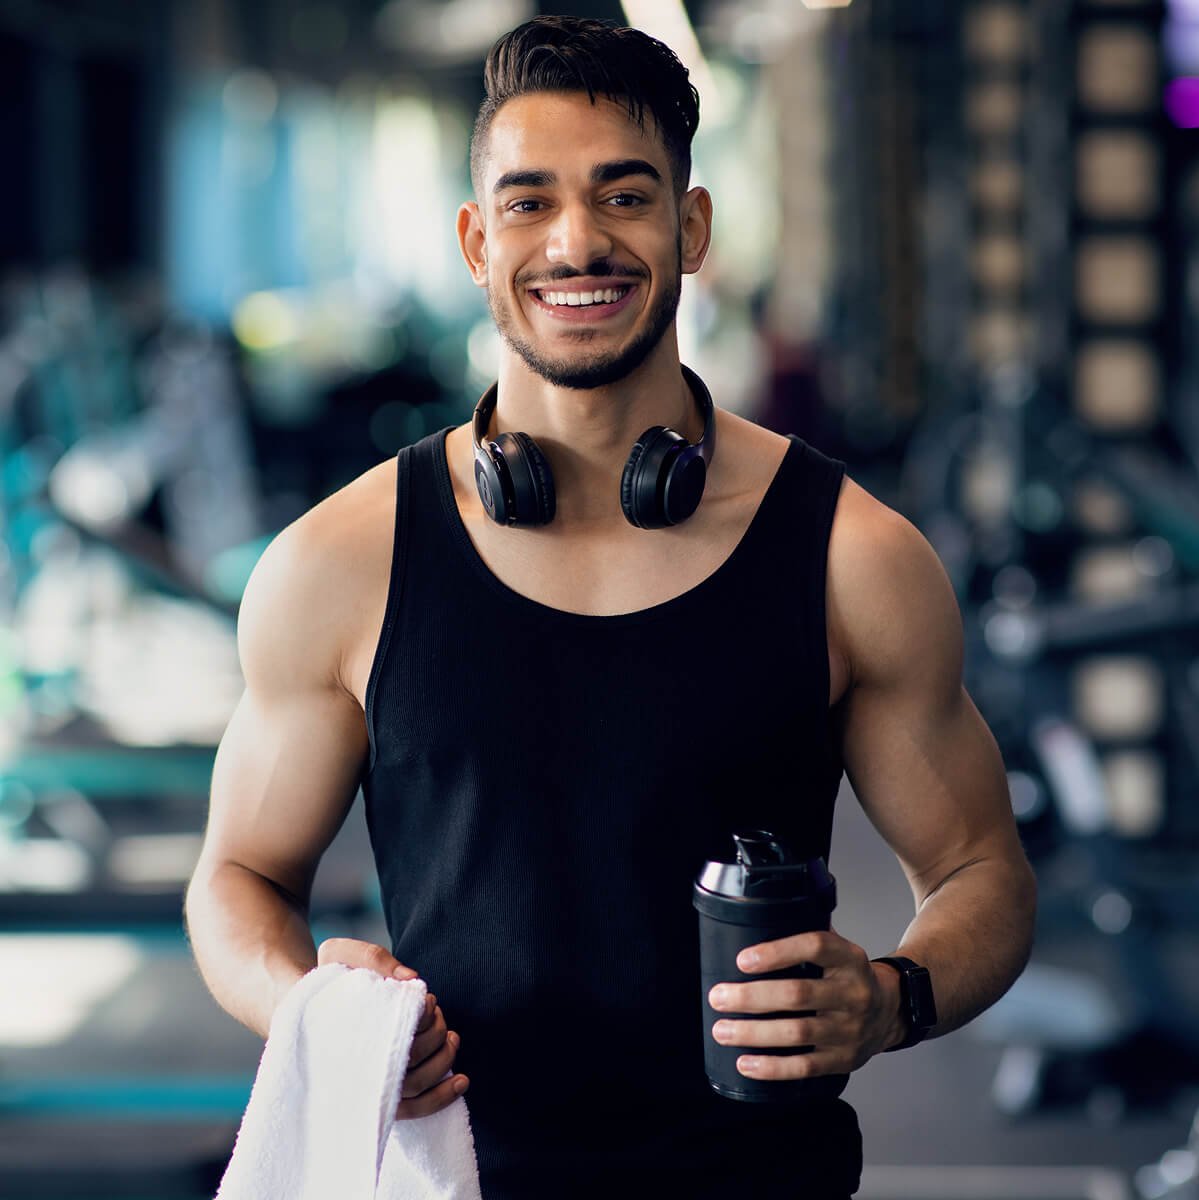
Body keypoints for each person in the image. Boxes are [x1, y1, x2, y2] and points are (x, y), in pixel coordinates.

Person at [185, 15, 1036, 1199]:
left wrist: (891, 999)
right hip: (452, 1178)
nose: (576, 241)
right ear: (479, 242)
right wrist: (314, 1011)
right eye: (529, 203)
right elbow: (236, 878)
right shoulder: (342, 562)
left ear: (690, 229)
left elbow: (982, 871)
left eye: (623, 195)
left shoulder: (851, 556)